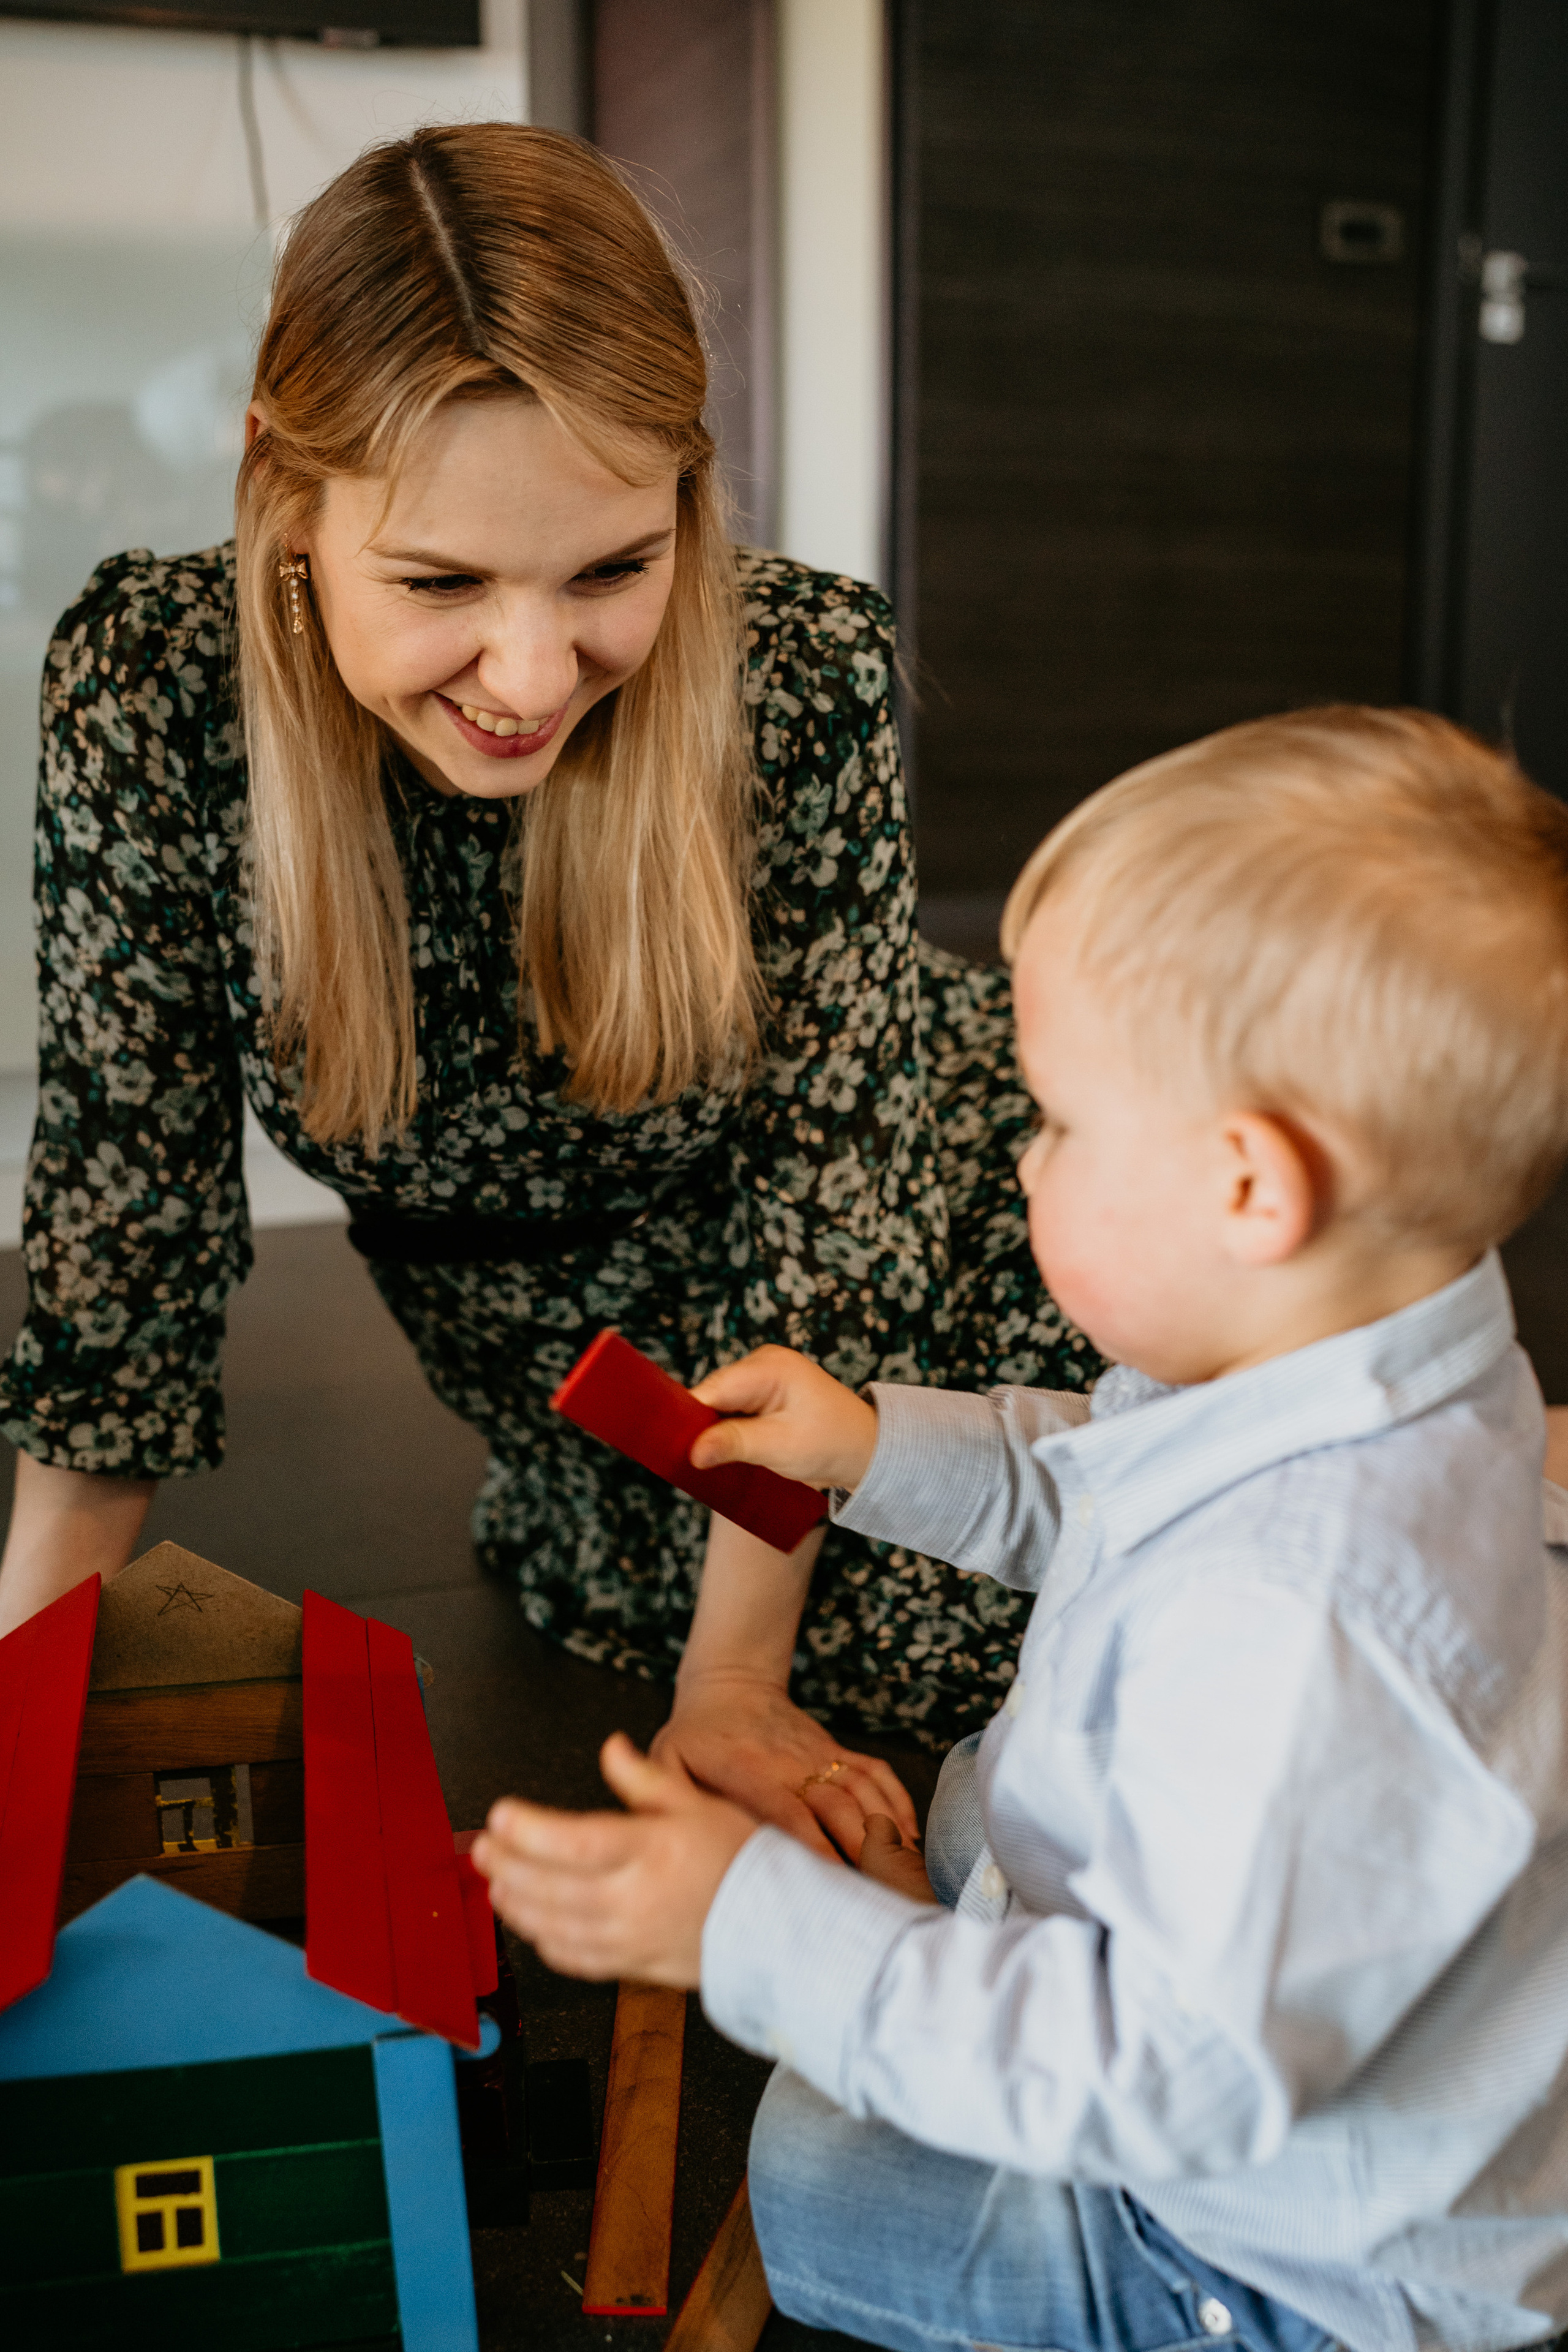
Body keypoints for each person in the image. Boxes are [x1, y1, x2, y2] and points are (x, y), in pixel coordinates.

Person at [0, 122, 1095, 1850]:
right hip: (596, 1403)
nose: (528, 673)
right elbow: (118, 1211)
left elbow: (835, 1202)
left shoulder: (800, 672)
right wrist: (29, 1679)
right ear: (282, 485)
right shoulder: (151, 688)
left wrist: (734, 1682)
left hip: (919, 1234)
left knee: (1107, 1559)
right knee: (942, 1635)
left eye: (612, 572)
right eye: (440, 583)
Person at [474, 706, 1568, 2352]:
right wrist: (870, 1444)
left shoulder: (1307, 1620)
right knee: (986, 1805)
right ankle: (961, 1960)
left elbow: (1168, 2079)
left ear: (1251, 1191)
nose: (1020, 1147)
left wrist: (747, 1928)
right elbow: (1103, 1478)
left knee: (819, 2170)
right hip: (1275, 1971)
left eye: (1057, 1121)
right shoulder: (1380, 1336)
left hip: (1272, 2262)